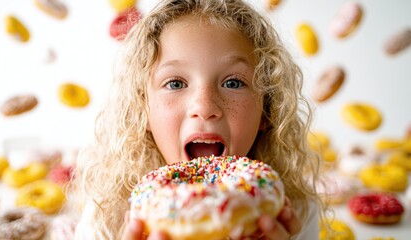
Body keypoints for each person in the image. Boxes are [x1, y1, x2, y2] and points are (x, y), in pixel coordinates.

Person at [74, 0, 323, 239]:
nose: (204, 107)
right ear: (143, 111)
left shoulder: (292, 213)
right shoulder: (108, 220)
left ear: (267, 111)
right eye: (175, 83)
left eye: (233, 82)